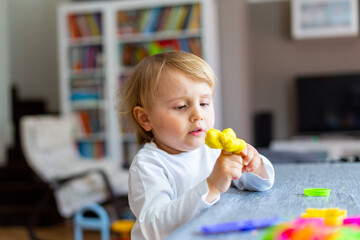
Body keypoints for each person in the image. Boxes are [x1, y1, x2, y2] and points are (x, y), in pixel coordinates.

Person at [119, 51, 275, 240]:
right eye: (181, 106)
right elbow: (154, 228)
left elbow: (262, 185)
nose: (198, 115)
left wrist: (254, 165)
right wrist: (211, 185)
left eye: (204, 103)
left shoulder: (214, 150)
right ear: (145, 118)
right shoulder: (148, 165)